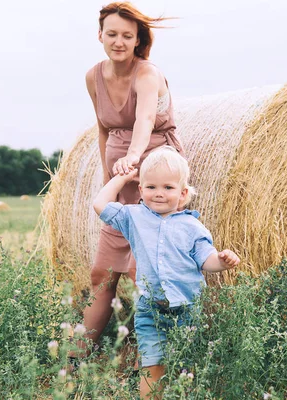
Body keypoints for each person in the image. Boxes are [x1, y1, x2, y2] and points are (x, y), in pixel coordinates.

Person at [93, 146, 240, 399]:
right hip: (151, 308)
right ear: (141, 190)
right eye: (151, 187)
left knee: (187, 367)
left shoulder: (193, 227)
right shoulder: (134, 217)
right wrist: (124, 177)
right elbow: (100, 204)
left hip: (188, 308)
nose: (159, 194)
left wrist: (222, 261)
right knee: (152, 366)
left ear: (183, 194)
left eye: (168, 188)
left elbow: (206, 260)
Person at [80, 2, 184, 352]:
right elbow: (103, 130)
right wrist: (109, 174)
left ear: (138, 39)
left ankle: (156, 354)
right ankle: (75, 356)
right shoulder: (94, 77)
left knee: (145, 274)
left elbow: (143, 121)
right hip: (121, 176)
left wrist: (134, 159)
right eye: (112, 34)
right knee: (102, 273)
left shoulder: (147, 73)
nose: (119, 41)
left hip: (154, 173)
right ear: (100, 36)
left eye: (127, 35)